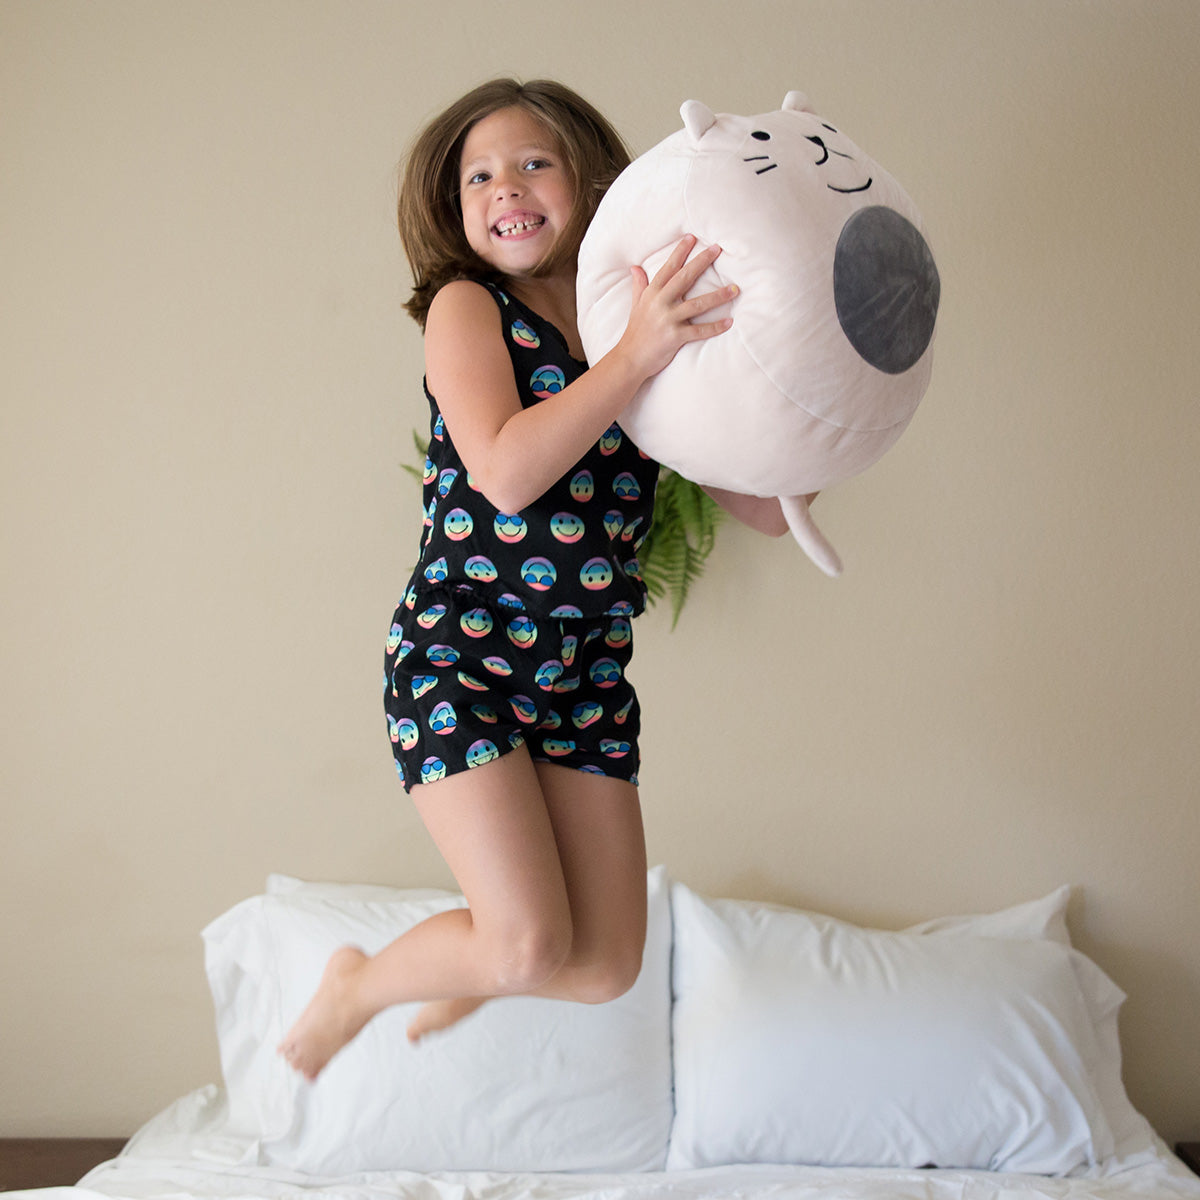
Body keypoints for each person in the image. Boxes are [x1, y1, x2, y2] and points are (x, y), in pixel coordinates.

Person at [278, 79, 785, 1082]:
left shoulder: (635, 321)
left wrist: (778, 376)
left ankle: (481, 961)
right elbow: (506, 473)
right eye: (478, 177)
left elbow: (766, 508)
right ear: (456, 208)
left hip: (584, 671)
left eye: (532, 163)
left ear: (592, 179)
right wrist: (637, 356)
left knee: (603, 969)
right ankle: (363, 984)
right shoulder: (469, 307)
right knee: (527, 946)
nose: (504, 187)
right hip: (459, 661)